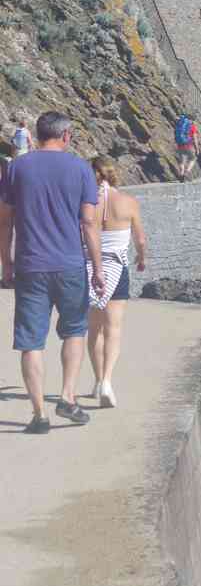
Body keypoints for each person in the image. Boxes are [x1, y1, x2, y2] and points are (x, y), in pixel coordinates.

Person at [0, 111, 105, 434]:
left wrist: (6, 263)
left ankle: (39, 415)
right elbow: (89, 223)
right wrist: (98, 268)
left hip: (30, 266)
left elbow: (5, 221)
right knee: (74, 331)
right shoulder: (80, 168)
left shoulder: (17, 167)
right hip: (70, 264)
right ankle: (67, 397)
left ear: (37, 133)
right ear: (66, 135)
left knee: (31, 341)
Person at [86, 156, 146, 409]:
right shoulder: (128, 202)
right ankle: (107, 381)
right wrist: (141, 259)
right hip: (117, 268)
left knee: (94, 328)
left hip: (89, 267)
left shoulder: (85, 202)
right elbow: (140, 240)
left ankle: (98, 379)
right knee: (113, 327)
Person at [174, 113, 199, 182]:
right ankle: (187, 172)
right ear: (192, 120)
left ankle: (181, 175)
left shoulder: (180, 124)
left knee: (182, 161)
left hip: (180, 145)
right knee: (193, 158)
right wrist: (197, 148)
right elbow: (195, 138)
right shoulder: (192, 126)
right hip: (189, 145)